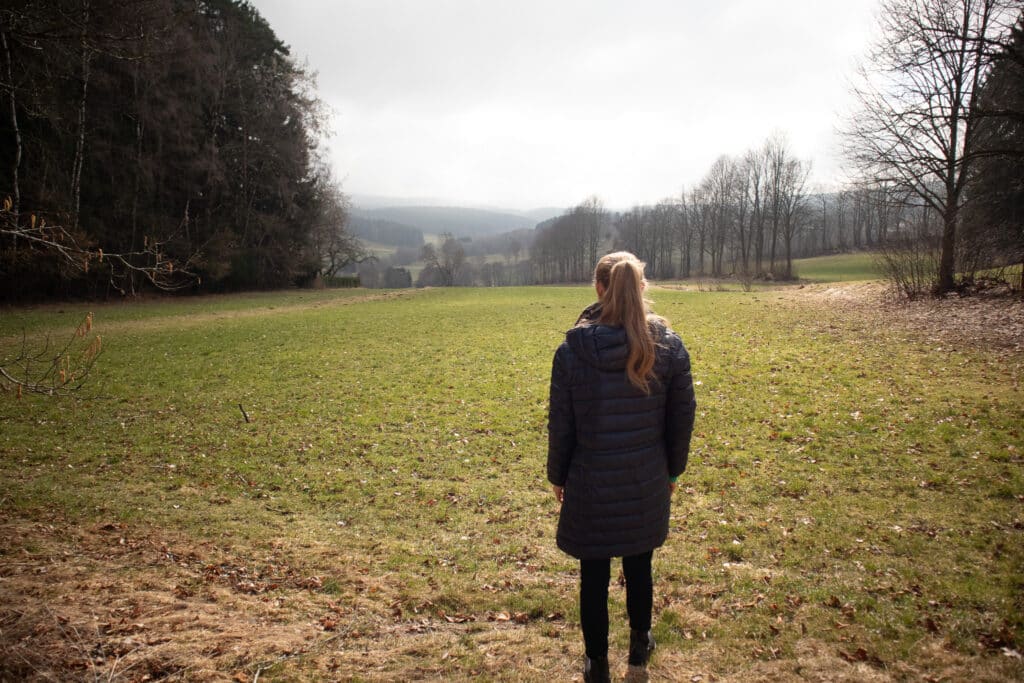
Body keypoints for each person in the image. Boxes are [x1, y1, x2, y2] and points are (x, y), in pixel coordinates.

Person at [547, 252, 696, 683]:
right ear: (641, 287)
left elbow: (562, 424)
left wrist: (558, 476)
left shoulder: (572, 352)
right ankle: (639, 644)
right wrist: (672, 472)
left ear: (598, 288)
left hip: (590, 481)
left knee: (593, 573)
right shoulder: (668, 347)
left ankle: (596, 663)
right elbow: (682, 418)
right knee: (639, 563)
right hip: (645, 479)